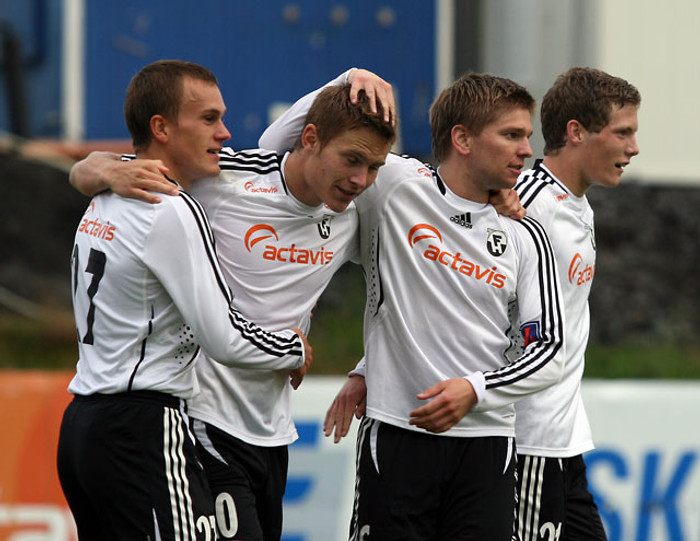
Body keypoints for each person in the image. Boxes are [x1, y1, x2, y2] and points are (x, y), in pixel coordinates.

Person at [69, 68, 398, 541]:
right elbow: (136, 165)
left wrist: (365, 369)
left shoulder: (353, 216)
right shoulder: (218, 180)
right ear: (309, 139)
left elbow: (409, 287)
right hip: (198, 420)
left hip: (271, 430)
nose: (360, 179)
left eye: (373, 168)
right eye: (351, 160)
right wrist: (97, 168)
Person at [260, 72, 566, 540]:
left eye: (527, 136)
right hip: (396, 434)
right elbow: (275, 144)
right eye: (511, 135)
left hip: (486, 445)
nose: (527, 150)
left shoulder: (525, 232)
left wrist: (475, 390)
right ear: (462, 139)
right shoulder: (394, 184)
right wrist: (347, 79)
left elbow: (549, 353)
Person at [510, 67, 640, 541]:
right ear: (576, 132)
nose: (634, 148)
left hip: (563, 440)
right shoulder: (524, 206)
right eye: (622, 132)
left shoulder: (576, 204)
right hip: (528, 440)